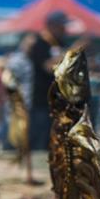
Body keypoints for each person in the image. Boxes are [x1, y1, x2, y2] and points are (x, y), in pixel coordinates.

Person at [27, 11, 69, 151]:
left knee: (53, 143)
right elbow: (47, 67)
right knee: (38, 142)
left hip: (58, 102)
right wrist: (69, 55)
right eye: (61, 26)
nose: (64, 29)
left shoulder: (61, 43)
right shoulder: (39, 43)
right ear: (51, 25)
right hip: (40, 100)